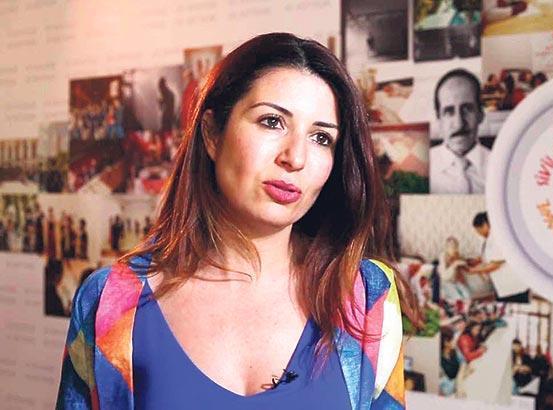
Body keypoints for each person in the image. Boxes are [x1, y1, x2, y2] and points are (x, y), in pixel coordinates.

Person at [56, 33, 418, 409]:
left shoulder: (365, 296)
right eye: (272, 121)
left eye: (321, 138)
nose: (296, 157)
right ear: (213, 134)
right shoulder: (111, 301)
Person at [429, 69, 490, 194]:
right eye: (449, 111)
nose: (459, 123)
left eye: (467, 109)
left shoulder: (500, 166)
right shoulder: (420, 170)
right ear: (438, 119)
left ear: (481, 114)